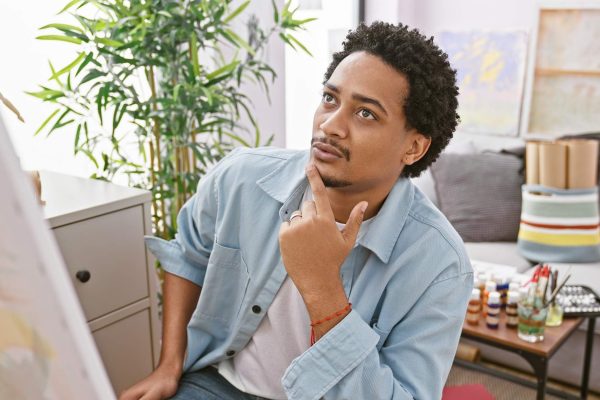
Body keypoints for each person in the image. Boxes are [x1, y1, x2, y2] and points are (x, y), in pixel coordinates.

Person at [120, 21, 473, 400]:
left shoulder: (440, 265)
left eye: (366, 114)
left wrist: (323, 288)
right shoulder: (242, 178)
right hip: (219, 384)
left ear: (414, 148)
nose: (331, 125)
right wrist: (169, 366)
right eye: (330, 99)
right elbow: (188, 257)